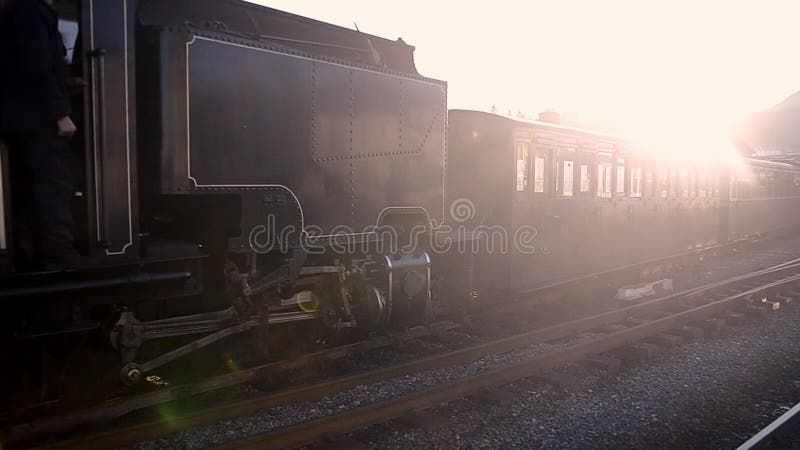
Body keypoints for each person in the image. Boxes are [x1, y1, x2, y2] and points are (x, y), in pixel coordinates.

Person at [0, 0, 80, 270]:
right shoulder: (30, 10)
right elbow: (37, 66)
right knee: (55, 183)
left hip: (19, 116)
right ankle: (58, 255)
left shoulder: (17, 11)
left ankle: (28, 246)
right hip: (37, 117)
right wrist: (60, 113)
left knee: (30, 184)